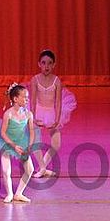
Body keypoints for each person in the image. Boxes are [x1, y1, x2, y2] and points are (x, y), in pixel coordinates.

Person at [29, 49, 77, 178]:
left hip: (52, 112)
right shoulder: (35, 80)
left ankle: (42, 167)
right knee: (34, 141)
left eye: (50, 63)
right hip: (38, 110)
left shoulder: (57, 81)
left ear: (54, 65)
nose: (46, 66)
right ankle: (43, 167)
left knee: (56, 144)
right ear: (39, 64)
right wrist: (32, 117)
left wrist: (57, 120)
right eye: (44, 63)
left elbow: (58, 102)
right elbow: (32, 100)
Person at [0, 83, 35, 203]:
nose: (27, 100)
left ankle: (19, 193)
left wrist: (29, 146)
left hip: (21, 143)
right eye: (24, 97)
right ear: (15, 99)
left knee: (30, 170)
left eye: (27, 97)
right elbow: (3, 133)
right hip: (7, 143)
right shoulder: (8, 114)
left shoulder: (28, 114)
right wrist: (13, 145)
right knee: (6, 171)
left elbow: (32, 131)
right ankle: (9, 194)